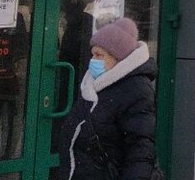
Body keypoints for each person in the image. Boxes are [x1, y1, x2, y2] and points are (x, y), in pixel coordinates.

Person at [59, 17, 160, 180]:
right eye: (92, 54)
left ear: (118, 58)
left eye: (99, 55)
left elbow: (140, 150)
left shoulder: (136, 91)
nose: (93, 61)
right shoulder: (95, 84)